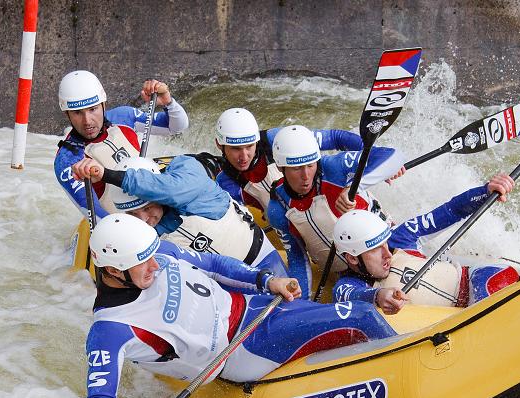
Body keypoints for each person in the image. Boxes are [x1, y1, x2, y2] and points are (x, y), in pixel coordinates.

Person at [85, 214, 396, 398]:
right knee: (361, 317)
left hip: (253, 306)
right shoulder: (110, 329)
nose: (155, 264)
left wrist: (267, 280)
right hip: (240, 348)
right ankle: (408, 372)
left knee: (338, 318)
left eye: (152, 254)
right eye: (143, 262)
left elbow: (215, 265)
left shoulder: (158, 253)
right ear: (114, 269)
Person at [70, 155, 288, 277]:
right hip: (229, 286)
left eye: (147, 208)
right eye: (134, 214)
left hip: (263, 261)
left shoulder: (187, 173)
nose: (144, 220)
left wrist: (106, 175)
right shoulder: (145, 236)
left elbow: (170, 190)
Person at [332, 174, 520, 313]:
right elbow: (347, 294)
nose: (387, 254)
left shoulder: (401, 237)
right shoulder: (349, 285)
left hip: (476, 282)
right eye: (374, 250)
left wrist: (486, 191)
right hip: (449, 326)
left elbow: (451, 211)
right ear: (352, 258)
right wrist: (378, 296)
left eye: (384, 244)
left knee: (492, 284)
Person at [266, 125, 406, 298]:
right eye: (296, 168)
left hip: (389, 248)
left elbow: (393, 156)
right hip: (349, 276)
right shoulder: (277, 208)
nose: (306, 176)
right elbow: (297, 258)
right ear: (280, 167)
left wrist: (356, 184)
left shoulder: (333, 167)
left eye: (310, 165)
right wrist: (301, 302)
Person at [54, 70, 189, 219]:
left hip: (157, 210)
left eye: (93, 109)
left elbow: (177, 126)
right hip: (121, 227)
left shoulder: (123, 117)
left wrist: (167, 102)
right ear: (67, 114)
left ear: (103, 104)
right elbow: (94, 214)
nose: (87, 121)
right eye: (77, 113)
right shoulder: (67, 160)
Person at [213, 108, 364, 215]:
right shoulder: (224, 183)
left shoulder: (278, 140)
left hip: (330, 202)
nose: (244, 156)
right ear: (219, 144)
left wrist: (369, 155)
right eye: (236, 148)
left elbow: (336, 137)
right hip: (290, 222)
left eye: (249, 146)